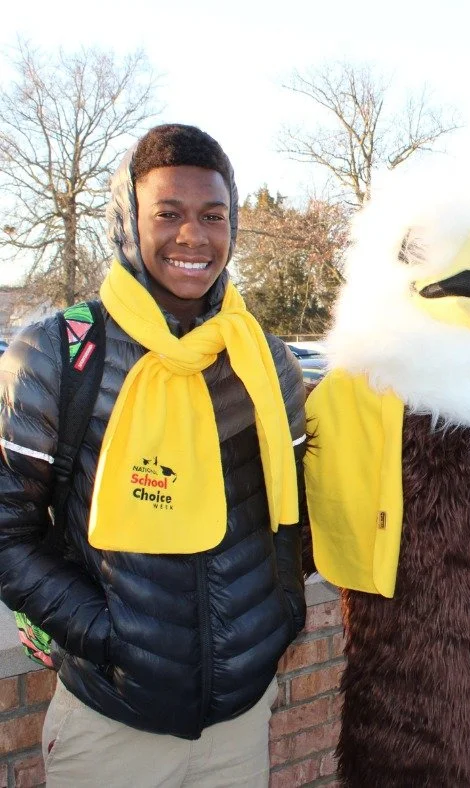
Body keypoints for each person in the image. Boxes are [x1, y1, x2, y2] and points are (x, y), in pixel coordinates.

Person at [0, 124, 307, 786]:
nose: (193, 236)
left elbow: (291, 517)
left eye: (212, 216)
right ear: (126, 222)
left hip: (239, 725)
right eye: (167, 214)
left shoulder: (265, 360)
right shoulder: (57, 355)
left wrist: (281, 620)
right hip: (112, 725)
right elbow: (7, 535)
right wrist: (112, 638)